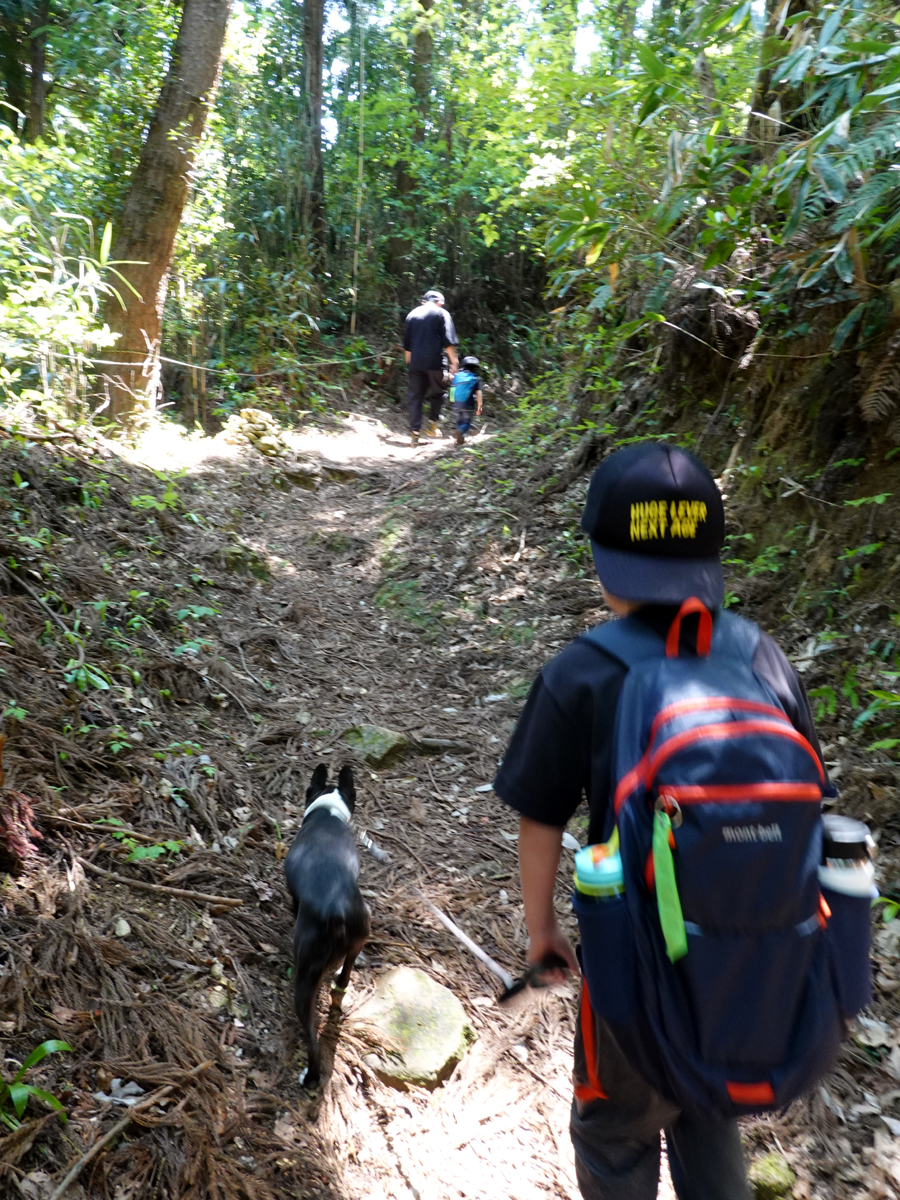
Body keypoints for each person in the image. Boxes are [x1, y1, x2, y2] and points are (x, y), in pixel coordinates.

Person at [493, 442, 830, 1200]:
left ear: (604, 562)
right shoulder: (761, 657)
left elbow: (541, 820)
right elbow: (811, 803)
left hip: (634, 964)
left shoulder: (579, 671)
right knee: (707, 1106)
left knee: (614, 1131)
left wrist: (542, 932)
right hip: (756, 960)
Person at [403, 289, 459, 446]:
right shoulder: (442, 314)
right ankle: (432, 424)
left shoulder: (412, 314)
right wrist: (454, 362)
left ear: (423, 302)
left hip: (415, 362)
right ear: (440, 302)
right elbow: (448, 342)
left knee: (415, 397)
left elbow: (407, 345)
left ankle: (414, 433)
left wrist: (409, 364)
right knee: (439, 392)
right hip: (435, 363)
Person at [448, 355, 483, 446]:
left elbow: (452, 389)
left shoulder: (457, 376)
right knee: (466, 422)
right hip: (468, 404)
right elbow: (478, 392)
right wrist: (480, 405)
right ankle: (460, 432)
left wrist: (453, 402)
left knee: (459, 421)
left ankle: (460, 439)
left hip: (456, 404)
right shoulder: (476, 378)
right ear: (475, 368)